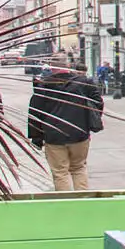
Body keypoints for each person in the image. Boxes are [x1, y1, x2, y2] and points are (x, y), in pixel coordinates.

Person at [28, 57, 104, 191]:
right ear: (68, 66)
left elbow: (35, 112)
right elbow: (98, 103)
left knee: (60, 172)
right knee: (79, 168)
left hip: (53, 136)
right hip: (79, 133)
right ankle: (82, 201)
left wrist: (37, 138)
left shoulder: (43, 85)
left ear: (51, 68)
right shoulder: (84, 83)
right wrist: (88, 122)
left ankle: (66, 203)